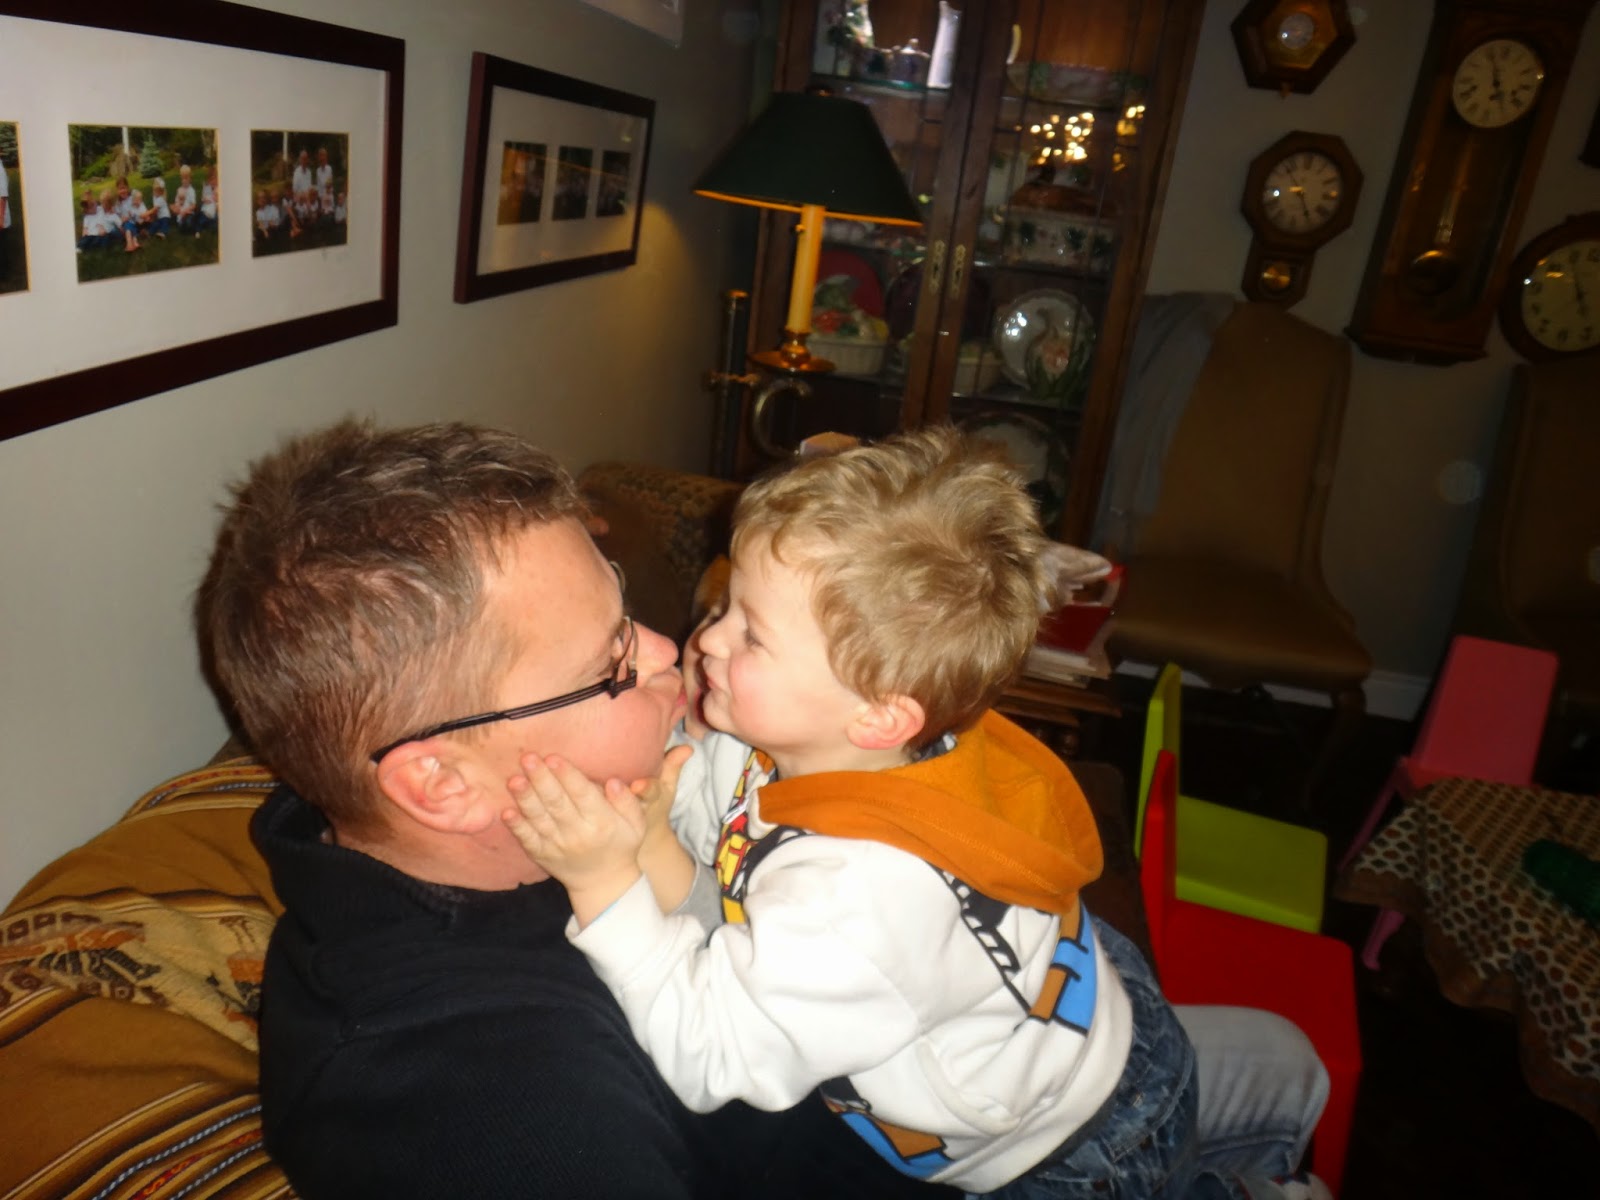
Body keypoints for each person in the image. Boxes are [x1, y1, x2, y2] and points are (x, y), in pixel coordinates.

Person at [504, 426, 1332, 1199]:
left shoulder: (865, 899)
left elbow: (713, 1052)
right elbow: (726, 839)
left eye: (752, 635)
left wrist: (605, 885)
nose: (705, 640)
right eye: (725, 608)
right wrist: (656, 815)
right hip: (1082, 1023)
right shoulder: (817, 740)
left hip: (1075, 1149)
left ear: (878, 714)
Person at [199, 419, 969, 1200]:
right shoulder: (499, 1113)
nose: (669, 651)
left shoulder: (558, 824)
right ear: (444, 783)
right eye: (611, 664)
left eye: (625, 611)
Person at [171, 164, 197, 234]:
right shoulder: (179, 190)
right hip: (180, 214)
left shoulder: (191, 190)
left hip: (188, 213)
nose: (184, 180)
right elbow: (177, 203)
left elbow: (193, 205)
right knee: (181, 225)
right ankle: (182, 225)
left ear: (190, 179)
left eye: (186, 178)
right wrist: (176, 207)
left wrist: (185, 211)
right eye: (183, 178)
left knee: (188, 222)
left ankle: (191, 226)